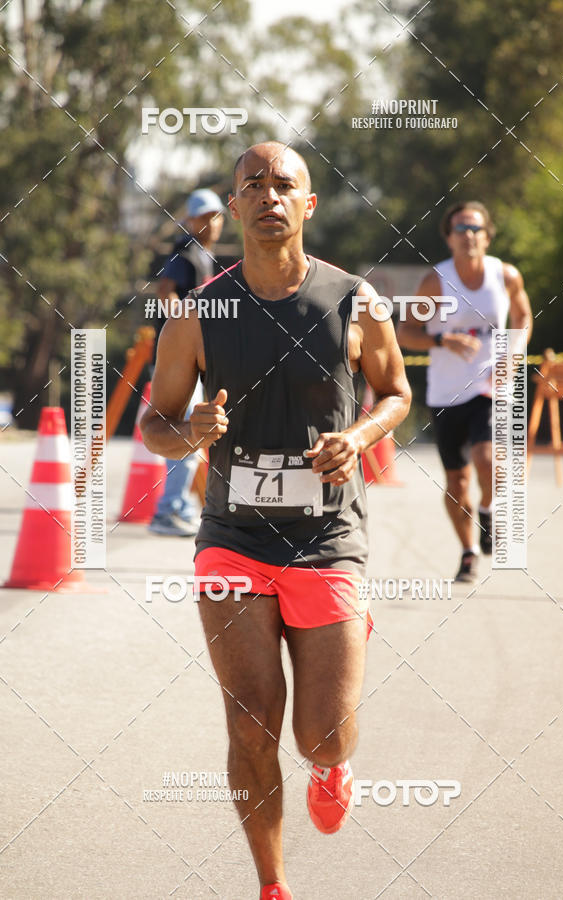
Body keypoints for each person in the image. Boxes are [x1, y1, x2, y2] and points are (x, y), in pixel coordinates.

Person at [140, 141, 411, 899]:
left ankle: (334, 765)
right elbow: (154, 423)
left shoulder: (355, 298)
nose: (268, 195)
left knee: (319, 731)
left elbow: (395, 393)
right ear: (233, 206)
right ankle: (273, 884)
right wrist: (189, 431)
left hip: (328, 543)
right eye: (252, 184)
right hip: (233, 542)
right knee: (251, 725)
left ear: (308, 204)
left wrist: (356, 438)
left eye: (283, 184)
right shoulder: (199, 315)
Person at [397, 201, 532, 582]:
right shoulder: (435, 282)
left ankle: (488, 510)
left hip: (489, 386)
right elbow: (405, 332)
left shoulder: (505, 276)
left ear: (487, 237)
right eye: (460, 229)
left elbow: (522, 316)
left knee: (487, 458)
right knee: (456, 482)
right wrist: (443, 340)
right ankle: (469, 550)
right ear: (448, 237)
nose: (468, 235)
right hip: (446, 394)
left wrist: (515, 352)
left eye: (475, 228)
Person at [149, 188, 224, 537]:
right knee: (186, 434)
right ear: (190, 220)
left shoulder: (203, 254)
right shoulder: (186, 252)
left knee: (193, 436)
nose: (211, 223)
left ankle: (180, 505)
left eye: (216, 216)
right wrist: (185, 332)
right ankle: (170, 510)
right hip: (182, 363)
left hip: (195, 360)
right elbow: (165, 291)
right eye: (204, 217)